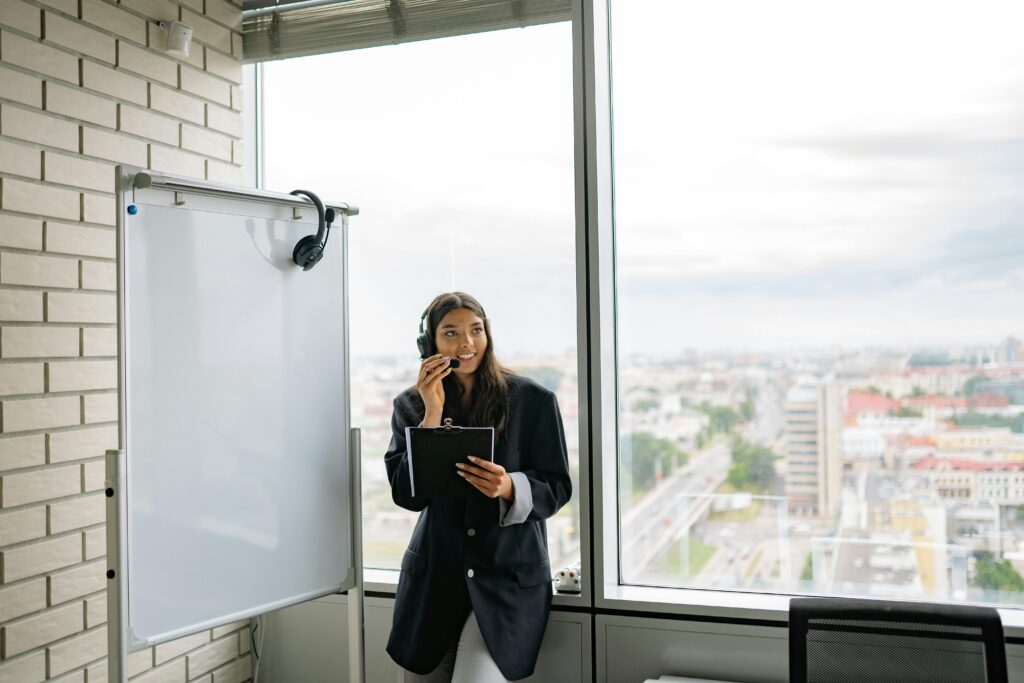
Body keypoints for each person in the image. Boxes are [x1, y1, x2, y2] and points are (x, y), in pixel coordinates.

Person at [384, 291, 572, 682]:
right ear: (429, 343)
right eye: (450, 333)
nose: (466, 343)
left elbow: (558, 486)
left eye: (476, 330)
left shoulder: (533, 401)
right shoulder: (410, 405)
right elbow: (406, 495)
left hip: (507, 579)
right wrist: (431, 415)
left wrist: (509, 487)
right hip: (435, 579)